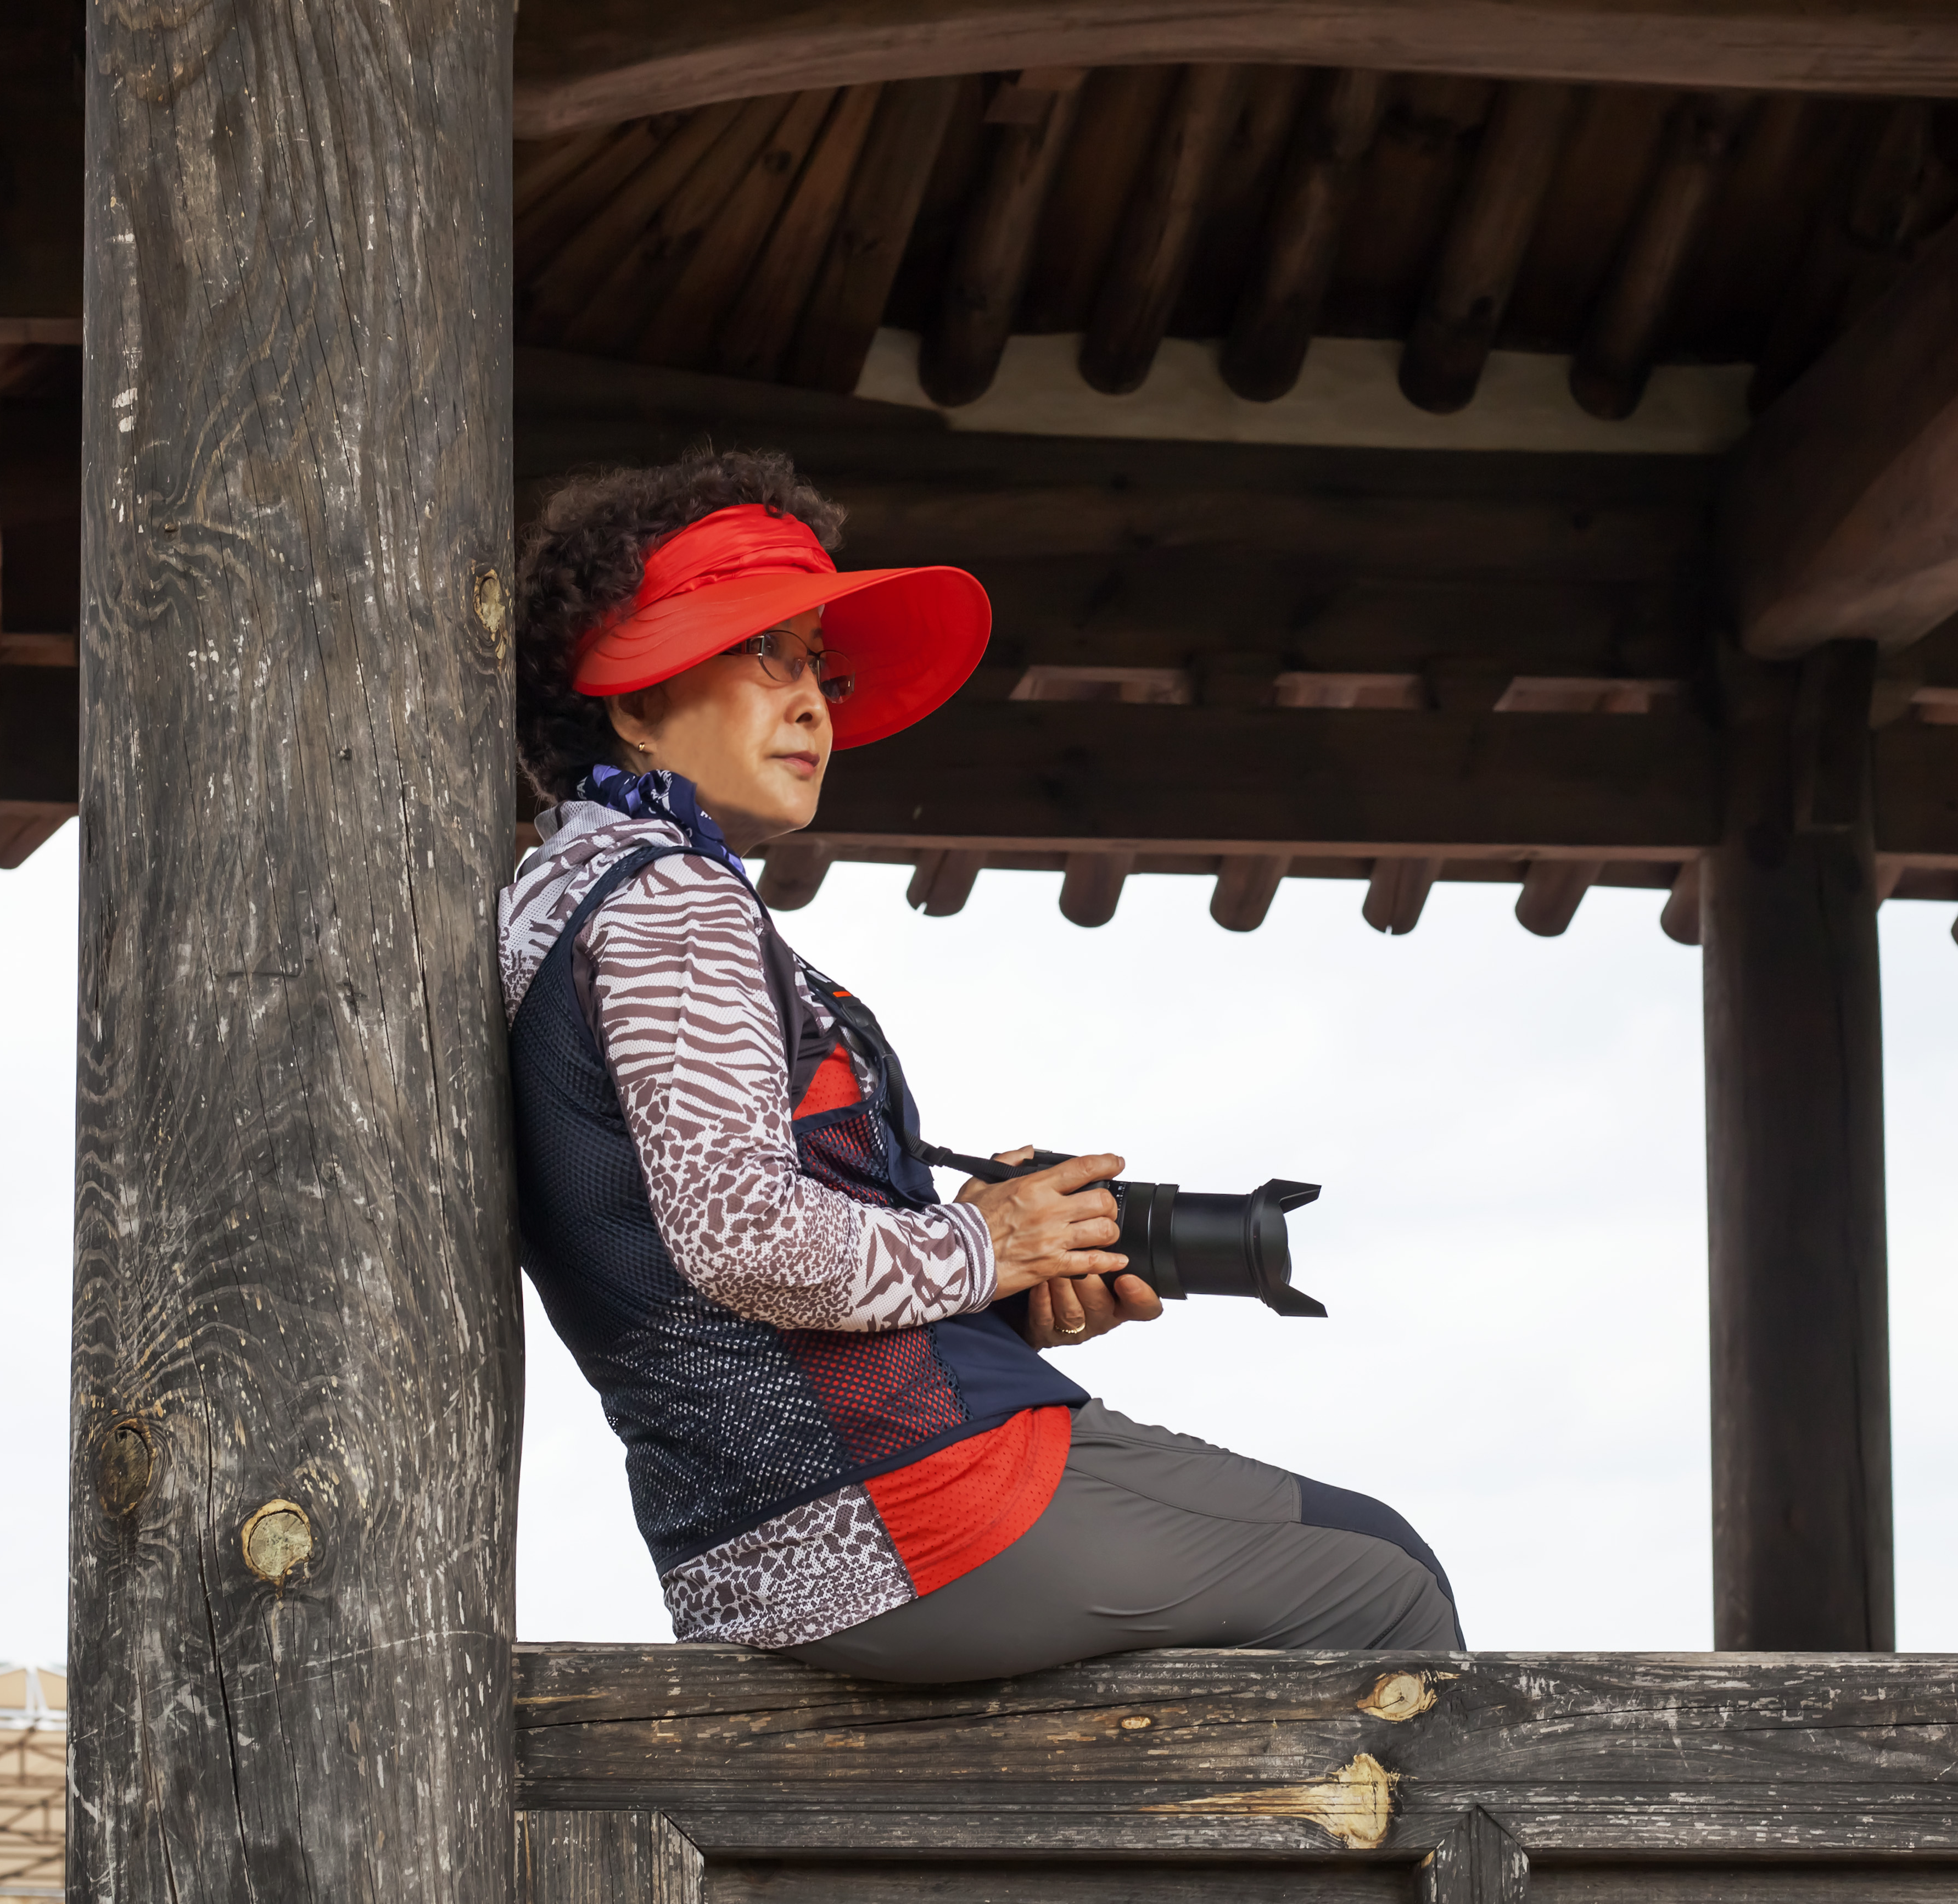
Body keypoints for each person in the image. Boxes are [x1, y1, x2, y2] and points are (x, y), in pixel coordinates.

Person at [500, 449, 1459, 1682]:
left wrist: (1000, 1285)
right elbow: (741, 1240)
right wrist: (985, 1245)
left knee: (1333, 1579)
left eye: (819, 666)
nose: (814, 705)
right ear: (634, 702)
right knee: (1385, 1583)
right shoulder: (674, 900)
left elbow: (683, 1237)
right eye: (766, 654)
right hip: (897, 1514)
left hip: (766, 1528)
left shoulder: (576, 896)